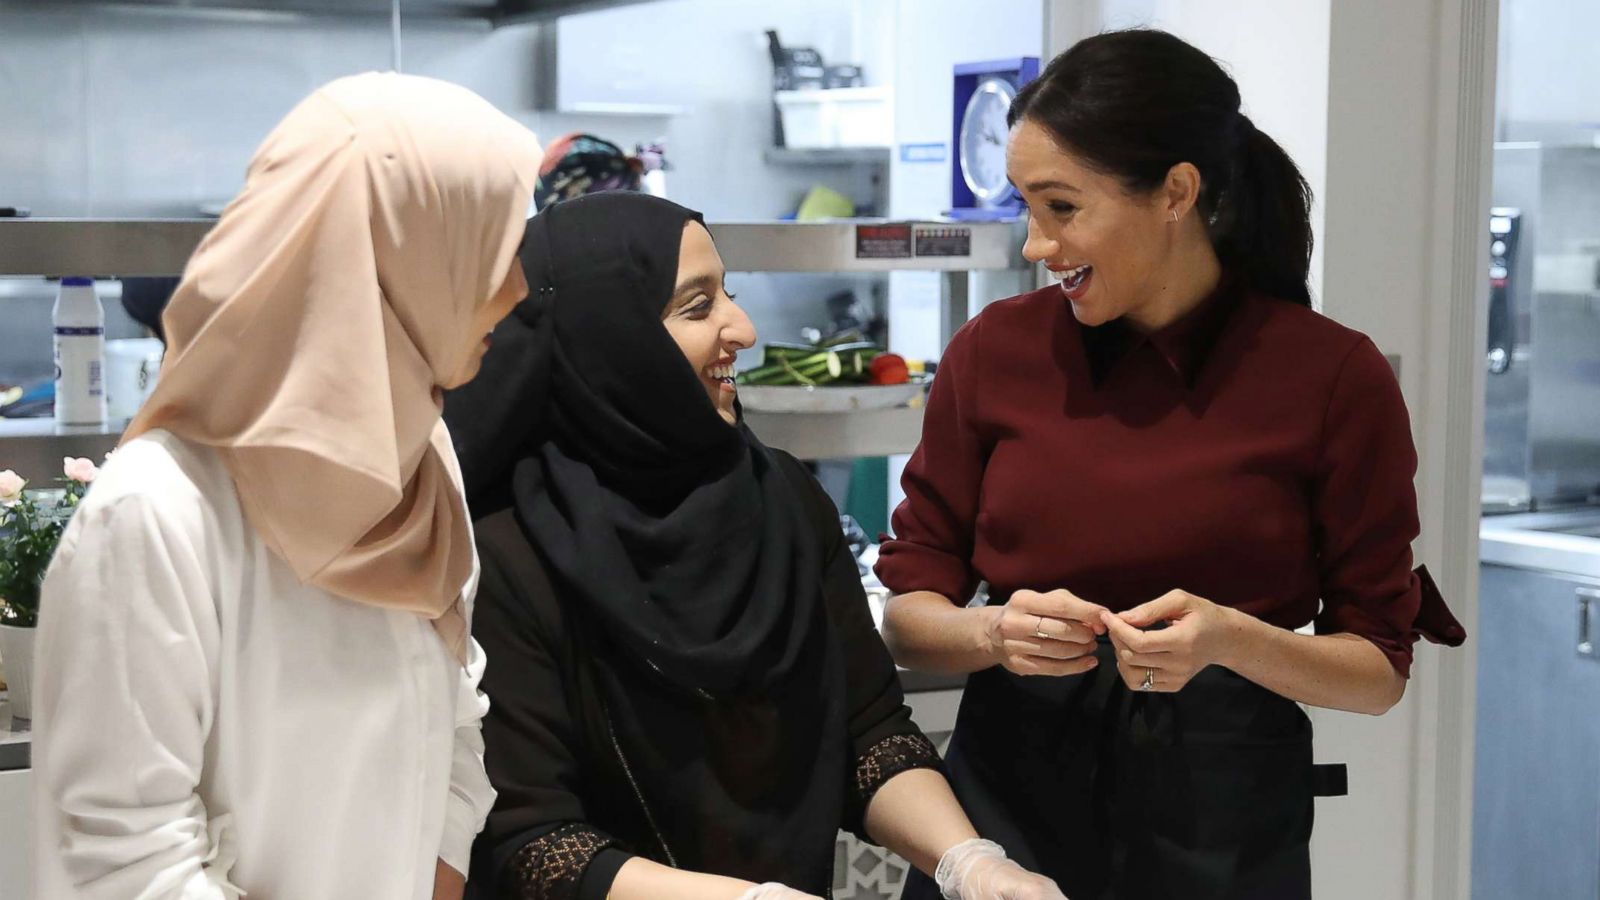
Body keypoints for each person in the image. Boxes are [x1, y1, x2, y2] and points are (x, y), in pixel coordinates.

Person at [875, 29, 1466, 900]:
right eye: (1026, 208)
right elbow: (908, 616)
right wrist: (996, 633)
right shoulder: (994, 352)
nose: (1037, 246)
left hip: (1222, 836)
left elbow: (1377, 671)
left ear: (1176, 193)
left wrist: (1231, 640)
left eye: (1063, 208)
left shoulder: (1332, 376)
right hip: (1004, 827)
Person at [442, 191, 1065, 900]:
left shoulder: (783, 501)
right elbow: (533, 842)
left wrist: (972, 862)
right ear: (609, 336)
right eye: (697, 306)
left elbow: (868, 734)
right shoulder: (502, 551)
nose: (742, 327)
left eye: (728, 295)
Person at [31, 72, 543, 900]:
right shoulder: (158, 513)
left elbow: (455, 734)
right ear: (386, 257)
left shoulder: (421, 460)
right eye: (488, 248)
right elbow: (123, 864)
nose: (517, 290)